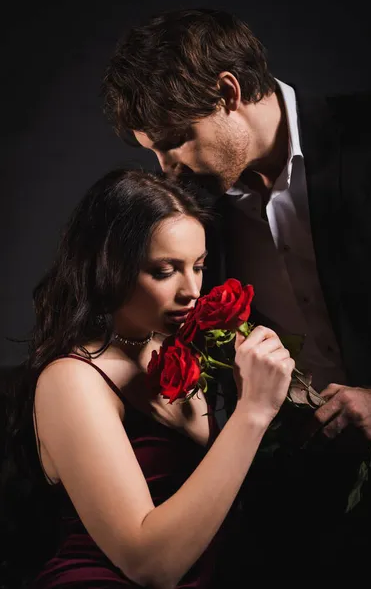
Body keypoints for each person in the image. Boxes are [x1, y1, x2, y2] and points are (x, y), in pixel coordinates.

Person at [102, 8, 371, 580]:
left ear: (228, 92)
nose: (165, 170)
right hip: (298, 510)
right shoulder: (194, 208)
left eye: (174, 142)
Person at [0, 169, 294, 589]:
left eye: (198, 266)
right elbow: (151, 565)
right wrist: (253, 411)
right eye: (164, 271)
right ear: (107, 268)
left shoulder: (179, 351)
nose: (192, 290)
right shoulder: (74, 379)